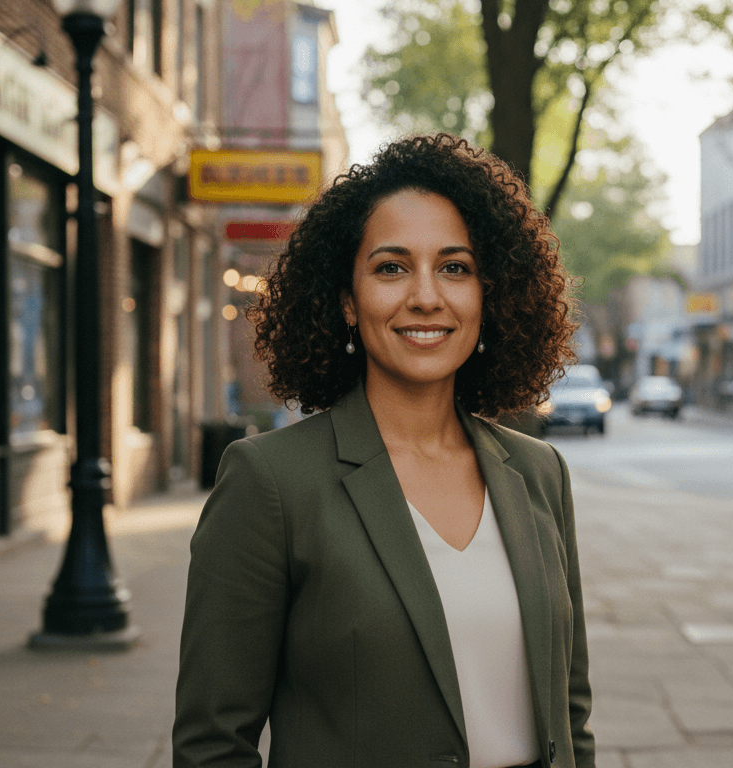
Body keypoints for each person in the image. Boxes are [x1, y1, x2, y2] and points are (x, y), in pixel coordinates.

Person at [173, 134, 594, 768]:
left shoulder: (538, 473)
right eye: (391, 267)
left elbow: (571, 711)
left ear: (489, 294)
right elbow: (212, 743)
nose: (426, 296)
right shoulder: (271, 482)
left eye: (455, 267)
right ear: (346, 299)